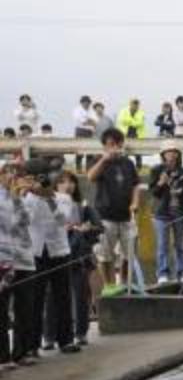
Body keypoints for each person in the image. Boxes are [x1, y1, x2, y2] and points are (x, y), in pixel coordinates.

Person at [22, 158, 78, 354]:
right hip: (35, 253)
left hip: (59, 251)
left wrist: (47, 197)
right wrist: (31, 195)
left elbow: (63, 221)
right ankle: (32, 345)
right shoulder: (25, 198)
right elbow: (26, 220)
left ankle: (66, 340)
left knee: (62, 297)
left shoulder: (63, 198)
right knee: (35, 300)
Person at [87, 128, 140, 296]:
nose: (115, 147)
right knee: (105, 254)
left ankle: (124, 283)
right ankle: (109, 285)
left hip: (126, 216)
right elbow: (90, 177)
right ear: (104, 146)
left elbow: (135, 185)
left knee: (128, 254)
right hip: (105, 216)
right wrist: (104, 160)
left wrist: (135, 202)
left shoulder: (128, 162)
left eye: (118, 143)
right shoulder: (98, 160)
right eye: (111, 144)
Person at [55, 170, 99, 346]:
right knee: (52, 298)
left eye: (71, 181)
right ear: (56, 186)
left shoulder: (83, 206)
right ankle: (51, 335)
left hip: (78, 255)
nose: (68, 185)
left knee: (80, 295)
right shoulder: (49, 204)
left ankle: (81, 332)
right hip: (55, 256)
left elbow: (98, 227)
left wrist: (87, 229)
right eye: (63, 182)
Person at [1, 163, 38, 366]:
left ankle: (21, 352)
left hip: (24, 259)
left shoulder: (22, 199)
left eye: (15, 174)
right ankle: (3, 356)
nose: (11, 177)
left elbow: (26, 221)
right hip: (5, 260)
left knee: (25, 308)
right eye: (7, 173)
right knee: (2, 309)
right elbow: (9, 225)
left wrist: (20, 198)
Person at [147, 141, 183, 286]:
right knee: (163, 245)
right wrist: (161, 183)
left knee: (180, 244)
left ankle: (182, 272)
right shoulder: (156, 170)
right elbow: (153, 193)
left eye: (174, 151)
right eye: (168, 152)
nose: (172, 154)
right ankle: (162, 274)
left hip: (179, 212)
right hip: (161, 213)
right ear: (163, 155)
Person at [116, 99, 146, 167]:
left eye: (136, 104)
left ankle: (139, 168)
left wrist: (129, 121)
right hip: (125, 135)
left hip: (137, 135)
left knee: (138, 153)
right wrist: (134, 122)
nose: (135, 105)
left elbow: (140, 123)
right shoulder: (123, 111)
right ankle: (124, 167)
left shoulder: (141, 112)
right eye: (134, 104)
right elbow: (122, 120)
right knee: (125, 152)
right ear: (130, 104)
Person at [73, 95, 97, 171]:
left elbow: (95, 121)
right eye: (85, 102)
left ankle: (89, 169)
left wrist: (89, 121)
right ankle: (78, 168)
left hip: (90, 132)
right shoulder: (77, 110)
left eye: (88, 102)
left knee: (90, 151)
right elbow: (81, 121)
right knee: (79, 150)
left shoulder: (92, 111)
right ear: (82, 103)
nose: (87, 104)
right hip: (80, 131)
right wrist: (89, 121)